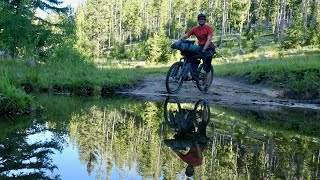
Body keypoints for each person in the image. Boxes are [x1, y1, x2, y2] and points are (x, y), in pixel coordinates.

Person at [179, 13, 215, 94]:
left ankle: (206, 86)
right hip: (200, 47)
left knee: (207, 67)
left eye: (203, 19)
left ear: (205, 20)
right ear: (198, 20)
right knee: (190, 56)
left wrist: (205, 48)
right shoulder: (195, 29)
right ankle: (195, 72)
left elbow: (209, 39)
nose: (201, 20)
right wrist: (180, 40)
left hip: (208, 48)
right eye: (200, 19)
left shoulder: (209, 28)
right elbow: (187, 35)